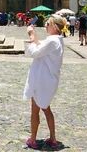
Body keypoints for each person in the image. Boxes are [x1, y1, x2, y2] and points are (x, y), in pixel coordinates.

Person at [23, 14, 66, 150]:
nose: (45, 26)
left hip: (41, 80)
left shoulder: (52, 41)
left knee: (35, 110)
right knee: (46, 109)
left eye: (47, 24)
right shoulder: (57, 40)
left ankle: (33, 139)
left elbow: (35, 53)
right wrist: (33, 34)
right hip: (48, 80)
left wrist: (30, 36)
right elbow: (40, 47)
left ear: (54, 26)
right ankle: (53, 138)